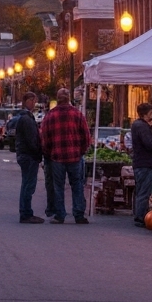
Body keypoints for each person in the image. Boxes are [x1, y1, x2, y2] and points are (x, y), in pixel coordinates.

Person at [40, 88, 91, 224]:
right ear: (69, 99)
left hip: (57, 157)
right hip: (75, 156)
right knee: (77, 185)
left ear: (57, 98)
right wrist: (81, 150)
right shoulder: (77, 114)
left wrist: (48, 152)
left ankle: (59, 214)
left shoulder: (50, 115)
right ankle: (79, 214)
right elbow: (86, 136)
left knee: (58, 186)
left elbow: (44, 137)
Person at [12, 92, 44, 224]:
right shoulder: (26, 118)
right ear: (26, 101)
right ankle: (26, 213)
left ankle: (25, 212)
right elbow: (31, 140)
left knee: (26, 184)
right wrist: (38, 153)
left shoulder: (25, 117)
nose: (34, 103)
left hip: (25, 154)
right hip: (28, 156)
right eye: (32, 101)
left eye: (34, 101)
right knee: (28, 185)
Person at [130, 103, 152, 227]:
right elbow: (148, 143)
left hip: (140, 162)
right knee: (144, 191)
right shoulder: (142, 127)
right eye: (150, 113)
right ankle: (140, 217)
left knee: (140, 190)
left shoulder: (137, 125)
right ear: (146, 114)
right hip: (145, 162)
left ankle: (138, 214)